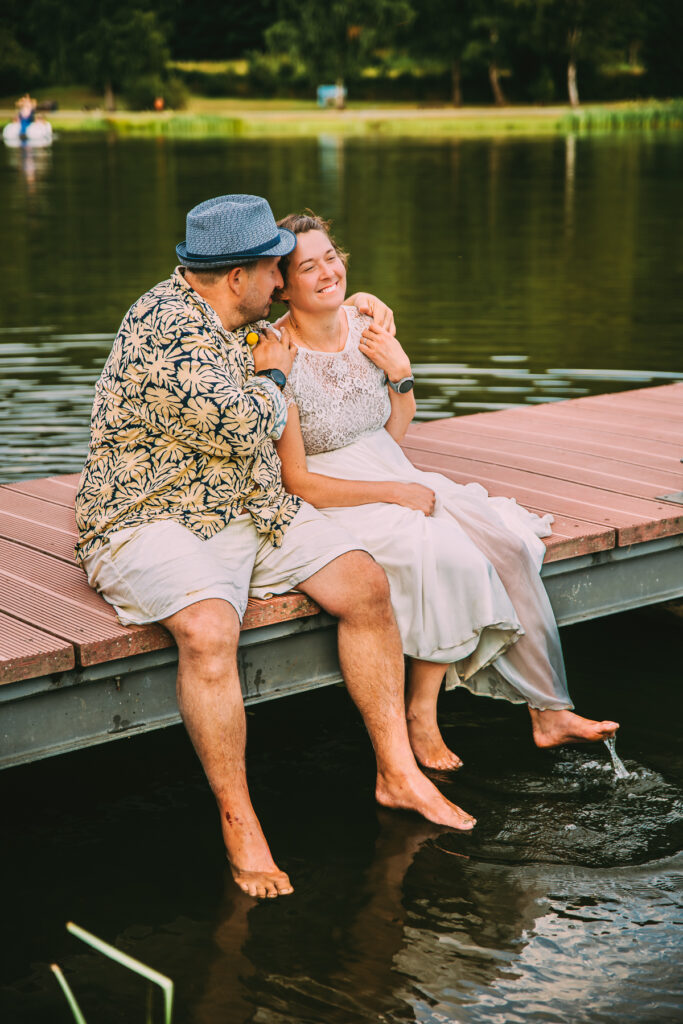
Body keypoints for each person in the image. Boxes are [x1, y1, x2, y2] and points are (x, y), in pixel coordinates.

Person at [74, 194, 477, 902]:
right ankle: (241, 823)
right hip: (149, 516)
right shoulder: (166, 332)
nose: (284, 277)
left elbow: (316, 328)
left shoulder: (236, 312)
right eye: (275, 267)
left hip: (248, 504)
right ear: (239, 276)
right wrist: (278, 372)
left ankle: (395, 772)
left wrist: (364, 307)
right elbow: (241, 423)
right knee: (209, 629)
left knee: (364, 582)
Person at [269, 211, 619, 771]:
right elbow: (298, 480)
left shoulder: (367, 325)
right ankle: (421, 717)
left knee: (507, 543)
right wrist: (393, 493)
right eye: (307, 267)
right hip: (336, 495)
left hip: (391, 466)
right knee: (450, 555)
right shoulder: (277, 354)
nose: (327, 272)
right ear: (280, 285)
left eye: (331, 256)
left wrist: (401, 373)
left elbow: (392, 431)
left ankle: (548, 710)